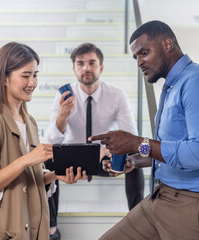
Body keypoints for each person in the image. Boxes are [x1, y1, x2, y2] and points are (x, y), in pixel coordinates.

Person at [90, 20, 199, 240]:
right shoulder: (172, 87)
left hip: (198, 203)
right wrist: (135, 160)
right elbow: (174, 150)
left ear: (167, 44)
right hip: (162, 196)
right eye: (136, 57)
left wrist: (136, 143)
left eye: (144, 53)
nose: (139, 62)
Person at [0, 42, 87, 240]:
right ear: (4, 78)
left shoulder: (29, 122)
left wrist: (54, 176)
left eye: (35, 75)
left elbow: (25, 178)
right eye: (25, 75)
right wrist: (27, 159)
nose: (32, 83)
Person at [45, 43, 145, 239]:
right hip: (73, 159)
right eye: (80, 63)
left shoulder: (116, 95)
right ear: (74, 69)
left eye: (92, 62)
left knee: (135, 161)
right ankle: (52, 229)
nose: (86, 68)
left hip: (104, 158)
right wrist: (63, 115)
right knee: (46, 162)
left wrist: (108, 151)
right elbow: (51, 141)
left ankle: (138, 222)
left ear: (101, 67)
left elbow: (131, 136)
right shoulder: (63, 95)